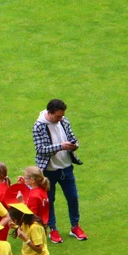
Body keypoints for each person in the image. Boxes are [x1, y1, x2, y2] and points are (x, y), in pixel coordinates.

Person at [33, 99, 87, 243]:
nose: (60, 119)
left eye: (62, 116)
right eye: (58, 116)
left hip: (66, 167)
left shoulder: (64, 121)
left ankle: (75, 226)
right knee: (49, 201)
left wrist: (74, 145)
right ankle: (53, 229)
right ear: (49, 113)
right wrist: (60, 147)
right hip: (49, 171)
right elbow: (40, 149)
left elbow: (72, 138)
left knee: (73, 197)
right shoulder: (39, 126)